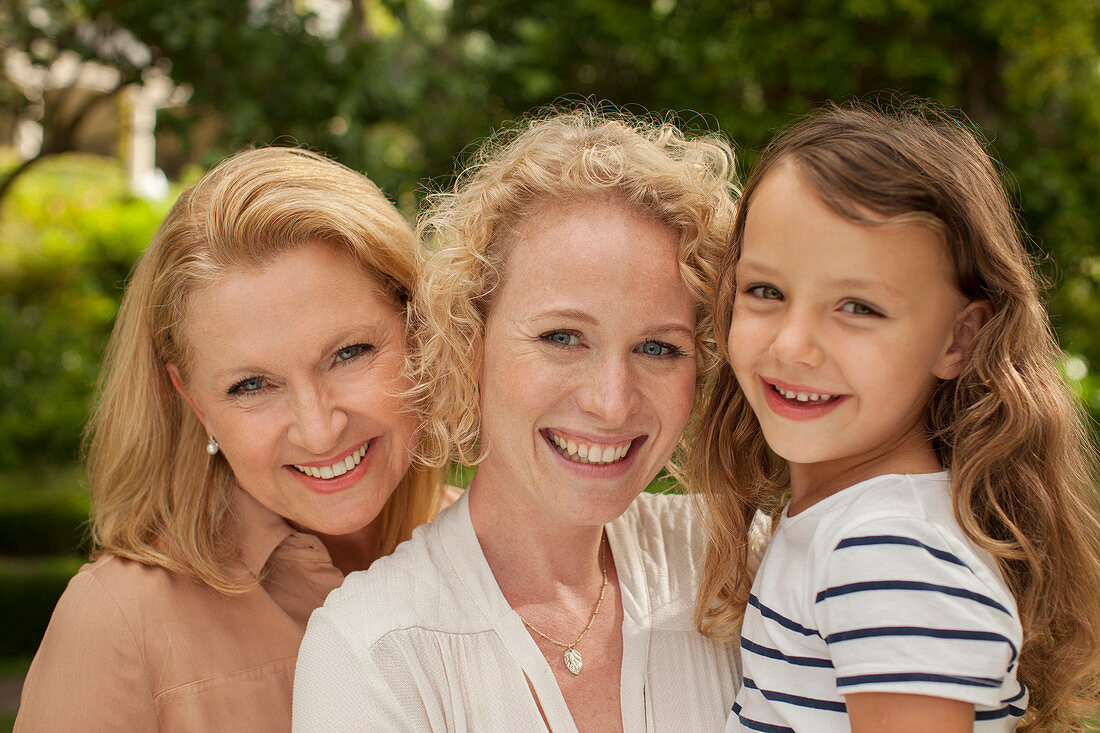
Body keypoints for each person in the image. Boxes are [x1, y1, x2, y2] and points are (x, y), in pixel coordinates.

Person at [294, 109, 742, 731]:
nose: (612, 402)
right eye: (562, 337)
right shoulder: (374, 650)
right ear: (469, 341)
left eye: (659, 348)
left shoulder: (742, 569)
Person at [689, 99, 1100, 732]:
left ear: (958, 340)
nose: (792, 345)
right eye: (766, 291)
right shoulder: (848, 528)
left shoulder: (884, 552)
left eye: (858, 307)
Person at [15, 147, 452, 732]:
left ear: (419, 329)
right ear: (194, 401)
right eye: (252, 385)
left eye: (349, 353)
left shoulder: (510, 556)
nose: (319, 428)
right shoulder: (117, 625)